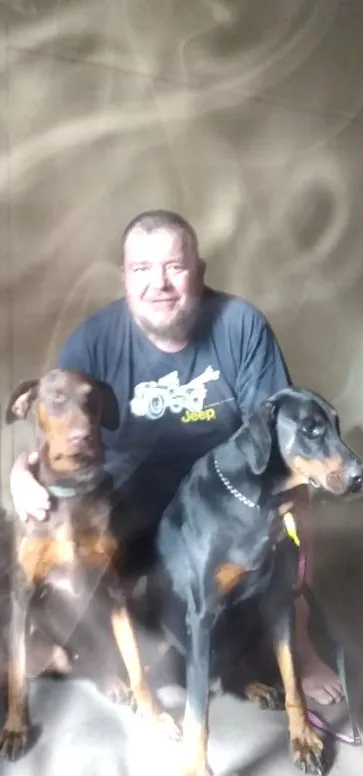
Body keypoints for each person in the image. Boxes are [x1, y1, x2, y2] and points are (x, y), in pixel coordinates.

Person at [9, 209, 342, 705]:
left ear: (199, 271)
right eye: (142, 269)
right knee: (104, 610)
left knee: (295, 507)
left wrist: (294, 489)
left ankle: (302, 642)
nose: (158, 284)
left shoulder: (240, 325)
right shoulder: (93, 340)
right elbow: (58, 421)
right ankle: (108, 635)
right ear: (124, 277)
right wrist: (19, 472)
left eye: (174, 267)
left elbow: (280, 430)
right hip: (127, 510)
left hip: (220, 506)